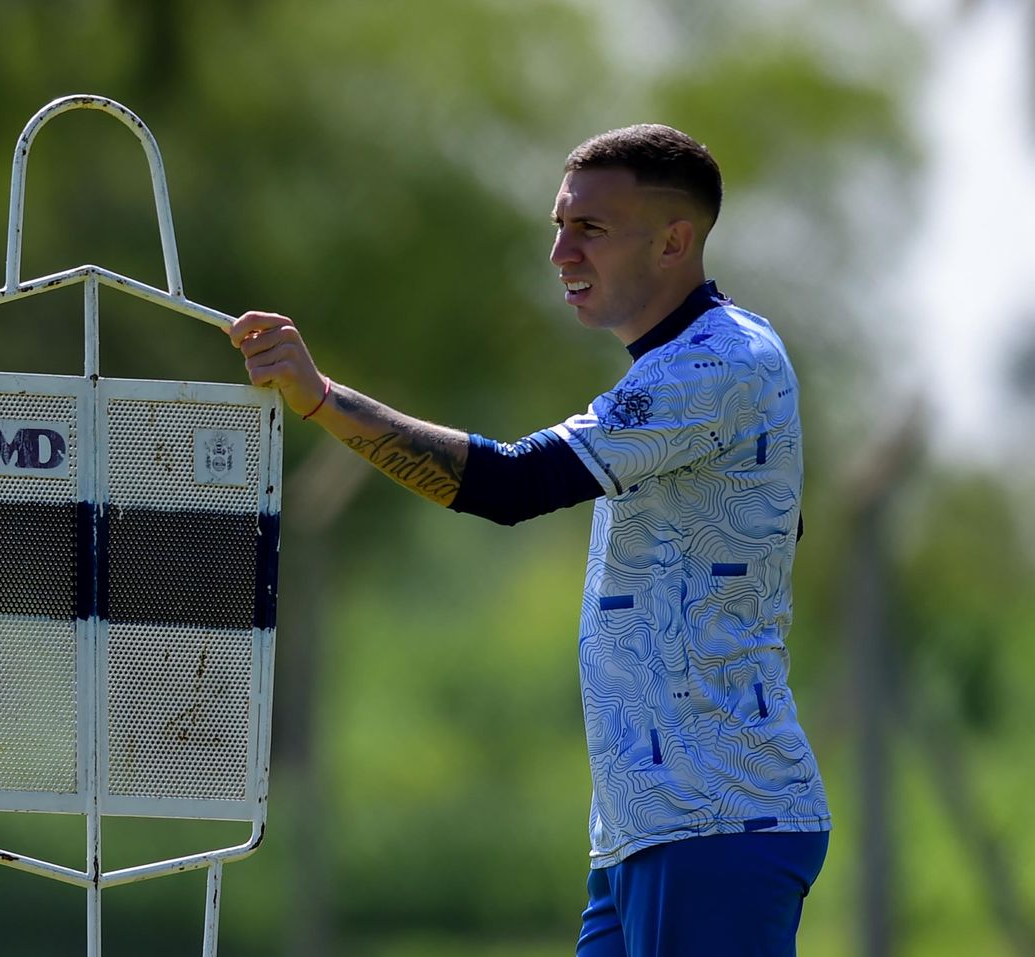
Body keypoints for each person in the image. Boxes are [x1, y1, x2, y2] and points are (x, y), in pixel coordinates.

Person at [230, 124, 831, 957]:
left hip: (718, 819)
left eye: (590, 228)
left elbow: (510, 485)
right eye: (559, 223)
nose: (559, 252)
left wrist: (321, 397)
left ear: (674, 241)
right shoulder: (695, 363)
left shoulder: (718, 362)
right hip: (648, 825)